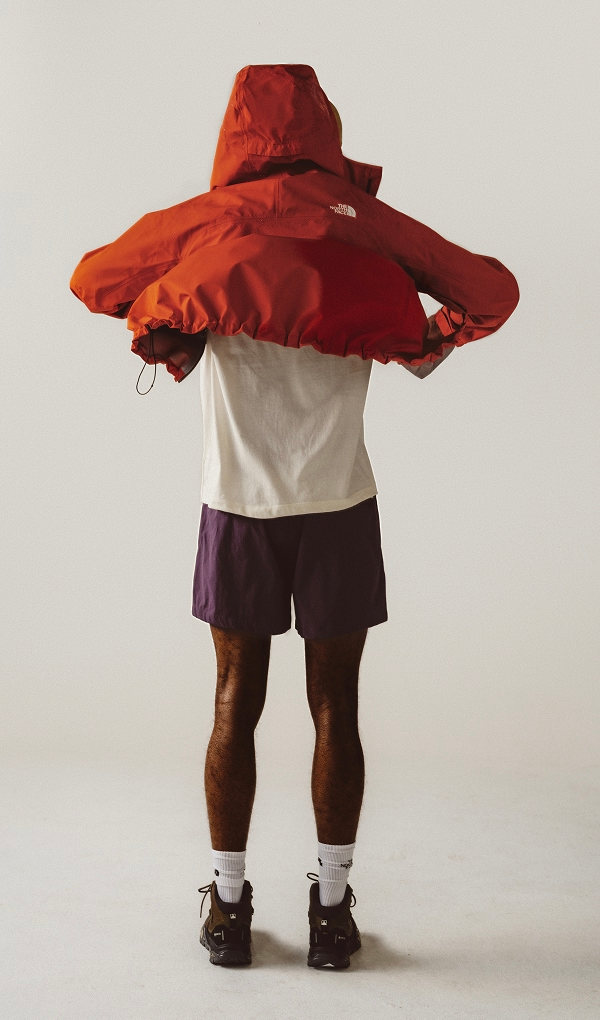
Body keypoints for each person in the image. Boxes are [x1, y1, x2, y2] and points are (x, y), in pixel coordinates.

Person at [70, 63, 519, 970]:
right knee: (337, 706)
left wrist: (169, 324)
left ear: (236, 133)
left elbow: (92, 279)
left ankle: (229, 912)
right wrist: (428, 339)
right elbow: (492, 292)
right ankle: (330, 911)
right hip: (340, 499)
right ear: (326, 129)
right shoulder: (366, 225)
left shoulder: (209, 223)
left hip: (236, 501)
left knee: (234, 701)